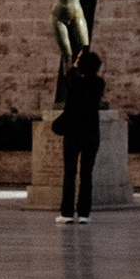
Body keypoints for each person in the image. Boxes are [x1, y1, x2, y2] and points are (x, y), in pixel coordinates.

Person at [55, 42, 106, 222]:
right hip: (91, 133)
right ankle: (84, 213)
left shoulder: (75, 83)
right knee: (86, 174)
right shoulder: (99, 83)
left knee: (69, 173)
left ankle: (67, 213)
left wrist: (75, 61)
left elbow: (69, 73)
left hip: (73, 133)